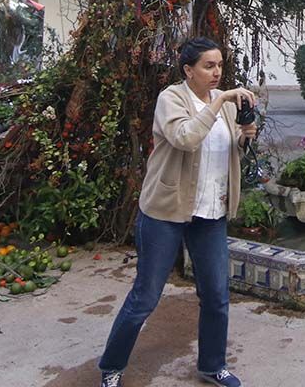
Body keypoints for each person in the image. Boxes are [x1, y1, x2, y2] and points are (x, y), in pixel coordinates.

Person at [98, 37, 258, 387]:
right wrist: (219, 104)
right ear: (188, 70)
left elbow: (229, 156)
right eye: (208, 66)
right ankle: (111, 368)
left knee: (217, 295)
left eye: (219, 65)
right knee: (146, 296)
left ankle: (212, 365)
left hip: (210, 212)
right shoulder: (171, 98)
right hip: (165, 212)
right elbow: (186, 138)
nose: (217, 73)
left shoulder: (227, 104)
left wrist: (246, 136)